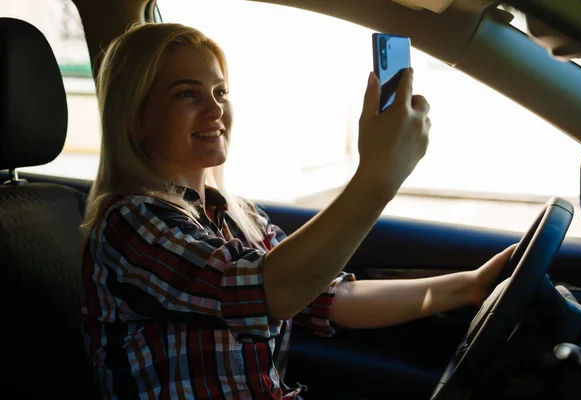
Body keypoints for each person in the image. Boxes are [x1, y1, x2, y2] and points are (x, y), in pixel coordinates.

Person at [81, 22, 516, 399]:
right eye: (186, 94)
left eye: (220, 91)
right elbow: (270, 292)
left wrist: (471, 287)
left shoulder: (236, 215)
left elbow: (330, 296)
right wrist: (378, 178)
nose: (215, 109)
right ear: (137, 118)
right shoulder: (130, 224)